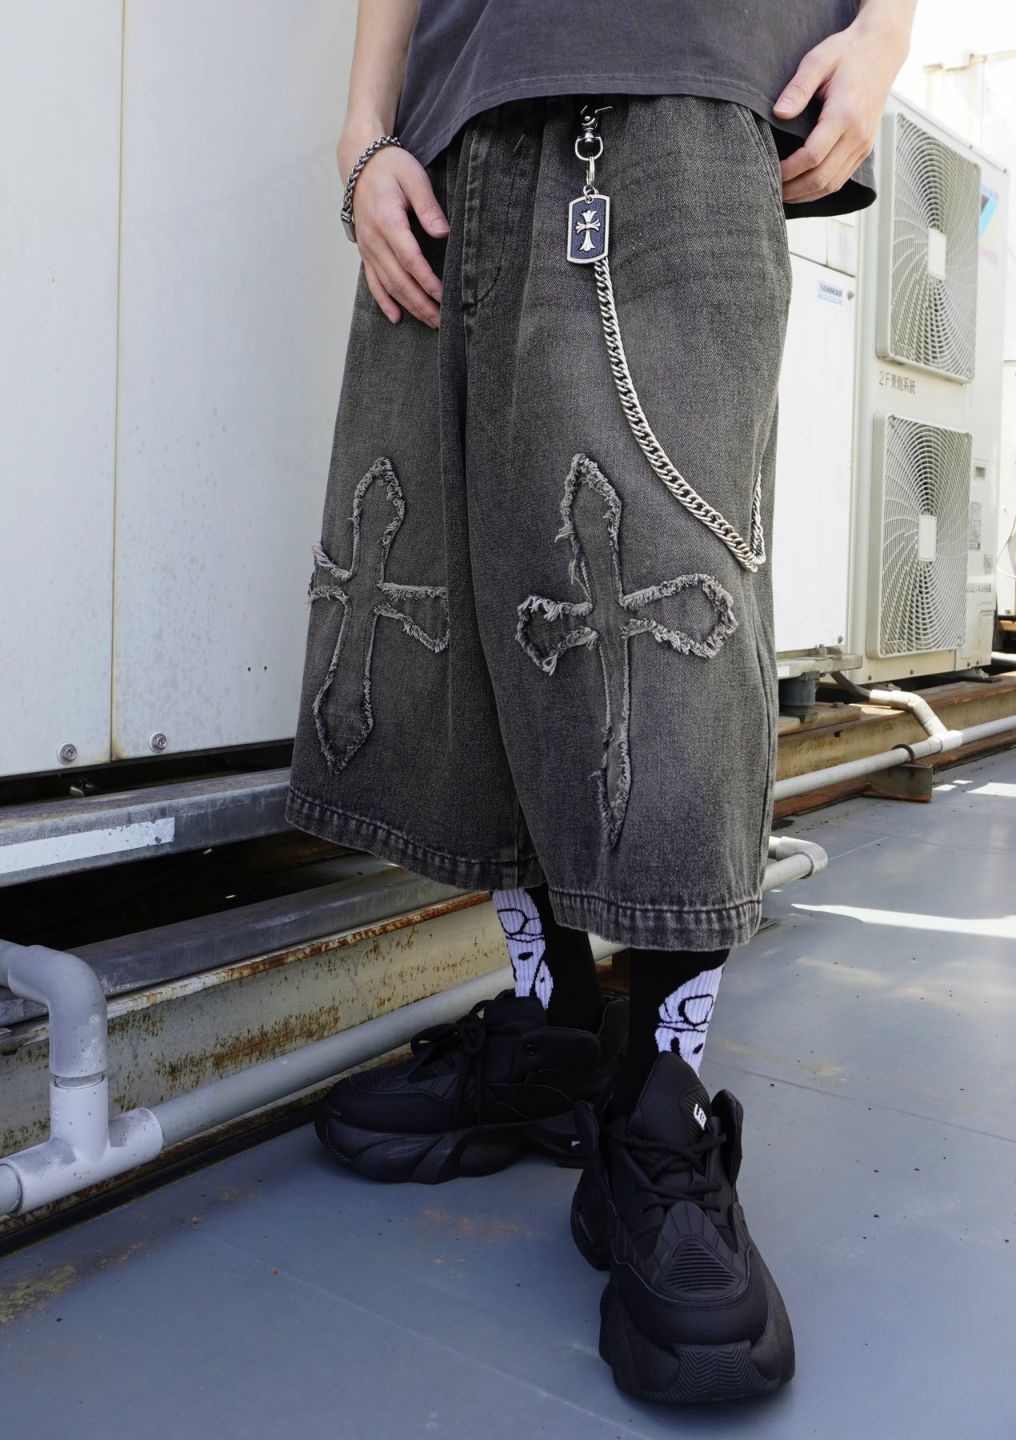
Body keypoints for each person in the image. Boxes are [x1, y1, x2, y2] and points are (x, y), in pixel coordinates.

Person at [285, 0, 915, 1405]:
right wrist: (364, 131)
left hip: (679, 87)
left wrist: (883, 36)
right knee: (468, 590)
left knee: (668, 598)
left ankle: (658, 1107)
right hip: (452, 133)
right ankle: (551, 1020)